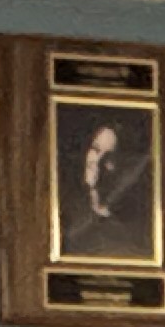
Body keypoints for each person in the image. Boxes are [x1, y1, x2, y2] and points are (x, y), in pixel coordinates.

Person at [57, 112, 151, 263]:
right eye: (95, 149)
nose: (98, 161)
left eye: (109, 156)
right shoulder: (65, 211)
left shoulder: (120, 234)